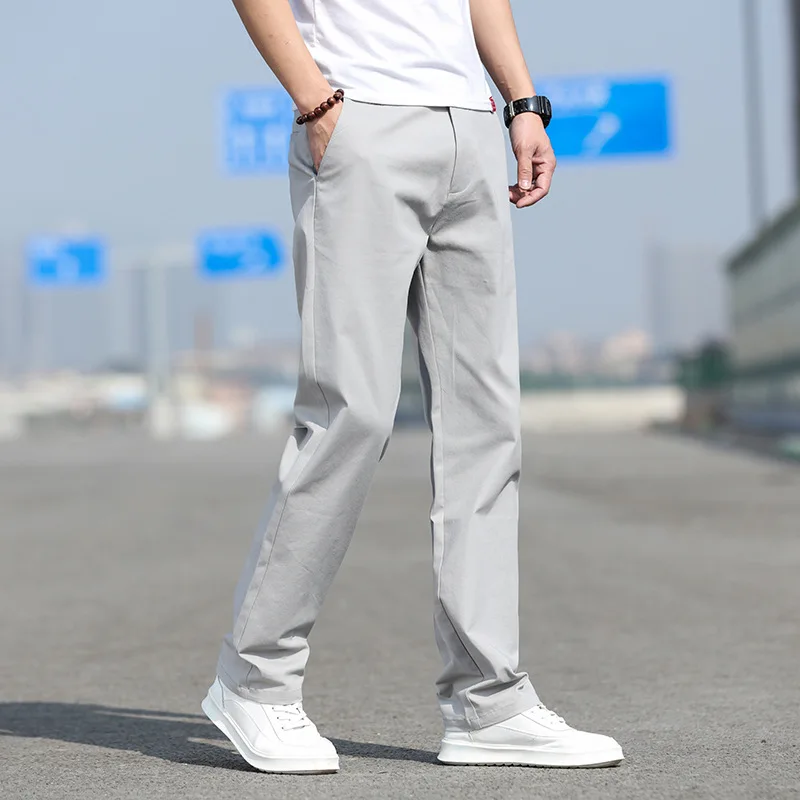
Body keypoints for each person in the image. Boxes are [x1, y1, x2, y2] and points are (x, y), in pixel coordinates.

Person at [202, 0, 624, 773]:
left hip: (471, 121)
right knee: (351, 413)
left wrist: (522, 103)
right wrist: (316, 101)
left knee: (485, 425)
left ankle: (489, 702)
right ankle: (254, 682)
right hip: (359, 114)